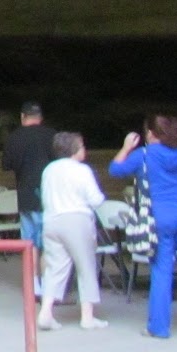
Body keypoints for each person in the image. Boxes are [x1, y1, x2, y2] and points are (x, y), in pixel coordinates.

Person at [110, 114, 177, 340]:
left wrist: (126, 148)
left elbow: (115, 170)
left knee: (162, 272)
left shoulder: (145, 154)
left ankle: (159, 327)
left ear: (153, 135)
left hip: (160, 219)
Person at [38, 132, 107, 331]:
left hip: (51, 220)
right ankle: (87, 317)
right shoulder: (82, 170)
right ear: (74, 150)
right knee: (85, 266)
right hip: (77, 220)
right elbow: (95, 199)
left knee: (55, 267)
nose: (84, 149)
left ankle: (46, 312)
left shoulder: (49, 170)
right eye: (82, 146)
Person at [2, 100, 56, 294]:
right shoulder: (52, 135)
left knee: (30, 242)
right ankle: (51, 286)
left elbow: (7, 164)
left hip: (26, 195)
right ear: (40, 118)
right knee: (49, 242)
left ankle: (34, 285)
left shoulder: (14, 137)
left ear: (22, 117)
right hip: (50, 196)